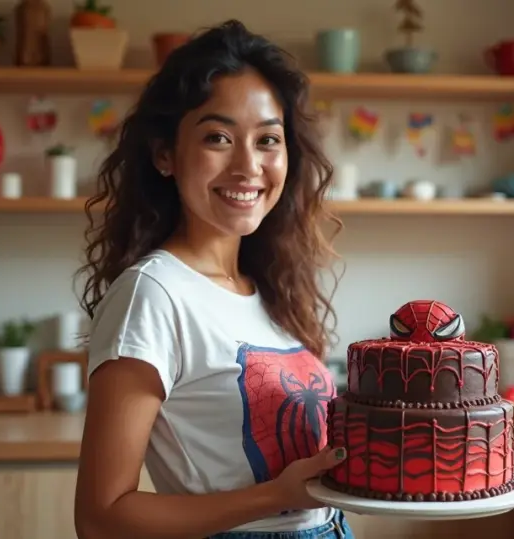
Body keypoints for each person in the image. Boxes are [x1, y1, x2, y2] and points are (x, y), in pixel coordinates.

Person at [73, 19, 353, 539]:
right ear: (165, 155)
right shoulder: (152, 295)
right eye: (218, 137)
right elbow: (100, 518)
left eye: (268, 139)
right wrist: (276, 496)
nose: (249, 166)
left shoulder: (271, 289)